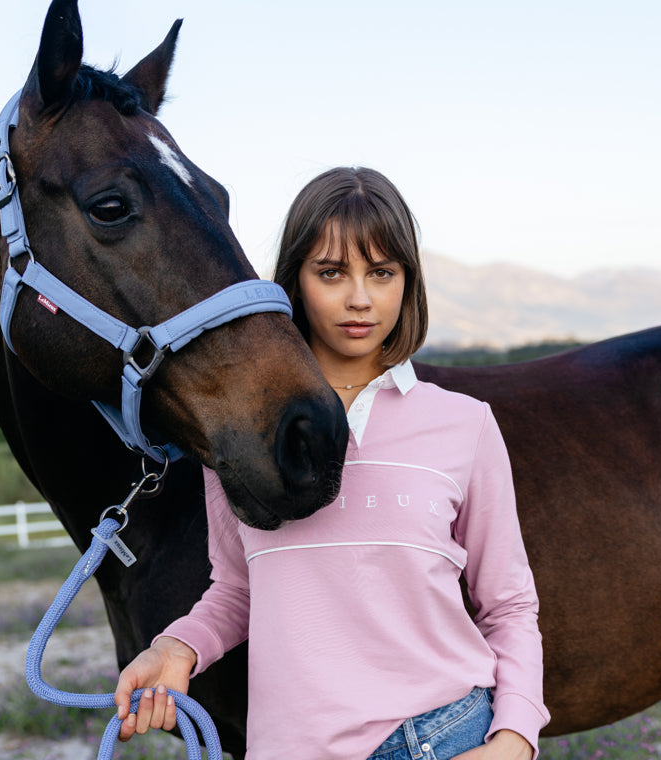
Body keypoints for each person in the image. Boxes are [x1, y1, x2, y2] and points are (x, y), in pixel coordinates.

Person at [114, 167, 550, 760]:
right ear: (294, 280)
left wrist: (516, 740)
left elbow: (510, 605)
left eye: (382, 272)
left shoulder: (465, 424)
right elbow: (238, 587)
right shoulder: (243, 430)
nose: (360, 299)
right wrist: (178, 647)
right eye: (331, 272)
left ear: (408, 282)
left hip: (448, 738)